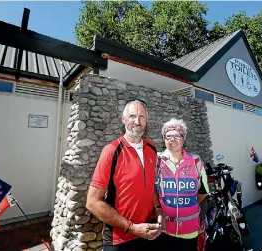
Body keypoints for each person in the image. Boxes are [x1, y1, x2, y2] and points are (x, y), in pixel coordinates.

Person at [86, 99, 162, 251]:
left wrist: (158, 208)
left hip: (148, 233)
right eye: (132, 116)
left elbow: (149, 184)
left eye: (142, 117)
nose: (137, 121)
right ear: (123, 119)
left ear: (147, 121)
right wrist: (131, 227)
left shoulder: (152, 148)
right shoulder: (111, 150)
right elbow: (92, 202)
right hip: (119, 239)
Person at [154, 118, 209, 250]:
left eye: (176, 136)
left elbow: (202, 193)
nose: (172, 140)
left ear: (183, 138)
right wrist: (157, 208)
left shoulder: (196, 162)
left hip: (190, 231)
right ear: (164, 139)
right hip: (164, 230)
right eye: (168, 136)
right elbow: (152, 190)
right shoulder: (157, 162)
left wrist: (187, 208)